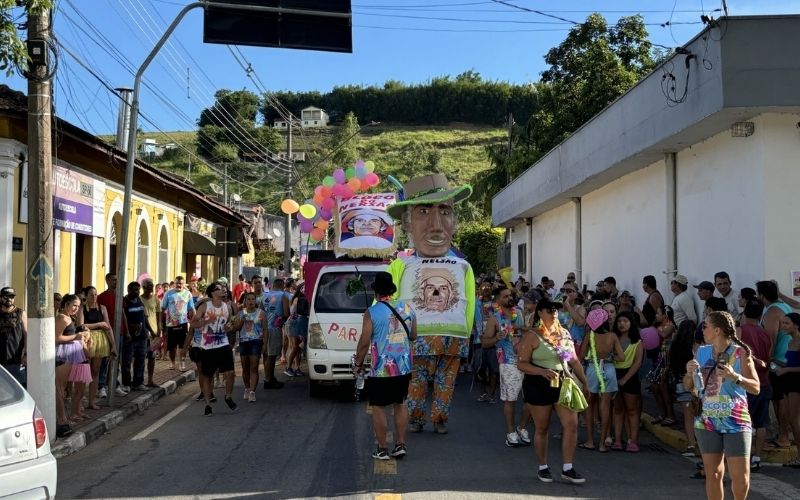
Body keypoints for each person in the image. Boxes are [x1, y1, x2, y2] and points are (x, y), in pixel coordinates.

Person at [386, 173, 475, 435]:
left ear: (454, 223)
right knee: (417, 382)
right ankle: (418, 418)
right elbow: (387, 303)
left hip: (452, 338)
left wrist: (466, 336)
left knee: (445, 382)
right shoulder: (399, 266)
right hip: (415, 338)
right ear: (408, 224)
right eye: (424, 212)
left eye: (445, 212)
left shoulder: (464, 266)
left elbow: (470, 305)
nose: (436, 224)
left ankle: (437, 419)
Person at [684, 311, 759, 500]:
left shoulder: (741, 353)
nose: (703, 329)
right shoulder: (701, 352)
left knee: (740, 477)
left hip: (736, 421)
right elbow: (689, 386)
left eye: (705, 326)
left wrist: (736, 377)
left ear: (717, 330)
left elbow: (756, 387)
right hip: (707, 420)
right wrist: (688, 373)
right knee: (714, 474)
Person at [516, 298, 590, 484]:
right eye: (549, 310)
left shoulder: (564, 333)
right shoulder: (533, 335)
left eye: (556, 310)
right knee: (542, 427)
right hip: (538, 384)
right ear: (540, 313)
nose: (554, 312)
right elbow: (521, 363)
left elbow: (573, 360)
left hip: (563, 382)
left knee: (571, 424)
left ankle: (568, 468)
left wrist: (585, 383)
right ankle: (543, 467)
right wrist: (542, 371)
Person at [353, 271, 417, 460]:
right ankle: (400, 445)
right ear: (391, 290)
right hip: (403, 366)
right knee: (400, 403)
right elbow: (413, 335)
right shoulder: (406, 308)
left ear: (375, 292)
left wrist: (358, 363)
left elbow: (364, 342)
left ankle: (382, 449)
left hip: (381, 368)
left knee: (379, 407)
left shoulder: (372, 312)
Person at [480, 287, 529, 447]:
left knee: (530, 399)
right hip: (508, 363)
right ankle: (510, 433)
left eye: (511, 295)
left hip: (526, 361)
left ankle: (522, 427)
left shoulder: (519, 314)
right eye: (506, 296)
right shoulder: (494, 319)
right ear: (498, 300)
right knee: (511, 400)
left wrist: (525, 332)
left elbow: (526, 335)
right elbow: (485, 342)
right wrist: (496, 337)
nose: (510, 298)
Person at [578, 308, 624, 452]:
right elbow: (621, 357)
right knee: (605, 407)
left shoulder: (590, 335)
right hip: (609, 369)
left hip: (593, 369)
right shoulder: (612, 336)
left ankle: (590, 441)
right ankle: (603, 443)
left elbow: (581, 356)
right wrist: (610, 358)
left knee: (590, 406)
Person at [189, 282, 238, 416]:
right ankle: (207, 405)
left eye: (223, 289)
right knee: (207, 376)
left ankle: (228, 397)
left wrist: (229, 326)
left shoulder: (226, 306)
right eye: (219, 289)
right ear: (212, 293)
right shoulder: (205, 306)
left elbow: (229, 322)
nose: (223, 291)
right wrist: (206, 322)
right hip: (208, 346)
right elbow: (193, 323)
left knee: (230, 373)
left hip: (223, 344)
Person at [756, 280, 792, 448]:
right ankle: (785, 434)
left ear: (761, 295)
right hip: (787, 359)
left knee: (780, 400)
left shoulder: (772, 312)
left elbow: (769, 341)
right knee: (783, 399)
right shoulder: (784, 306)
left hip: (778, 362)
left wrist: (765, 363)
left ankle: (783, 436)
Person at [737, 300, 772, 471]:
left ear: (744, 312)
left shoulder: (740, 331)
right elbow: (768, 358)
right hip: (764, 381)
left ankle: (746, 455)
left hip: (746, 383)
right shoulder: (766, 334)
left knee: (744, 422)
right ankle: (757, 457)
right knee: (761, 422)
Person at [77, 286, 116, 409]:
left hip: (101, 341)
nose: (94, 297)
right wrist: (99, 324)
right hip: (87, 340)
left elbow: (108, 327)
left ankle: (91, 401)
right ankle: (79, 401)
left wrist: (113, 345)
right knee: (84, 372)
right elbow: (81, 326)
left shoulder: (102, 308)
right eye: (91, 295)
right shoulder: (82, 309)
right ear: (86, 296)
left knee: (95, 372)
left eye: (95, 294)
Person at [55, 294, 87, 437]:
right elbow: (56, 338)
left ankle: (64, 417)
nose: (76, 308)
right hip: (62, 356)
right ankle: (61, 419)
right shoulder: (62, 318)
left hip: (69, 356)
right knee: (59, 389)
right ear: (66, 304)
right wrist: (76, 336)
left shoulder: (69, 317)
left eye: (78, 306)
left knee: (63, 389)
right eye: (74, 305)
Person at [612, 310, 644, 452]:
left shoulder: (637, 342)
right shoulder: (613, 338)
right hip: (614, 374)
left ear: (631, 323)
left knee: (632, 410)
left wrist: (625, 379)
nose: (622, 324)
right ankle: (618, 440)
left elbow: (637, 363)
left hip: (630, 377)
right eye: (619, 321)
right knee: (618, 409)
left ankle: (633, 440)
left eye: (625, 321)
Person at [230, 292, 266, 402]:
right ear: (245, 301)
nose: (250, 301)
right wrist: (241, 320)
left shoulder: (261, 313)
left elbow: (265, 329)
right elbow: (235, 328)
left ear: (256, 301)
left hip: (256, 341)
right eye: (248, 299)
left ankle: (252, 391)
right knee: (245, 368)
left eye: (252, 299)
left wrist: (264, 344)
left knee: (254, 368)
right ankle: (247, 387)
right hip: (244, 341)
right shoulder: (241, 313)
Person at [776, 312, 800, 468]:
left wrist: (786, 370)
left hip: (796, 383)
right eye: (782, 323)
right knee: (791, 420)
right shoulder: (791, 341)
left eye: (786, 323)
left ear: (796, 325)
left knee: (795, 420)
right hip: (788, 382)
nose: (783, 326)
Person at [648, 305, 677, 426]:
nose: (656, 316)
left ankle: (670, 415)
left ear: (665, 315)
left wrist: (655, 327)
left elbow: (665, 334)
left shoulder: (670, 325)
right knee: (655, 387)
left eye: (658, 313)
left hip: (667, 360)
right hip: (659, 358)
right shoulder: (659, 326)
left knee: (663, 387)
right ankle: (662, 413)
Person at [161, 276, 196, 372]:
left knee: (183, 346)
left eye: (181, 283)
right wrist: (161, 324)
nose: (179, 285)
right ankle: (172, 363)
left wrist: (193, 322)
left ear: (184, 284)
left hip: (183, 324)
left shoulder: (188, 294)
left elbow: (192, 309)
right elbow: (163, 309)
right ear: (174, 283)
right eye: (177, 283)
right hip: (170, 324)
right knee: (171, 347)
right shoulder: (168, 293)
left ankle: (182, 363)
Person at [96, 273, 123, 397]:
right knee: (104, 361)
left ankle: (115, 384)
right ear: (107, 281)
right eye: (113, 280)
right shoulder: (101, 297)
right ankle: (101, 386)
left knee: (116, 360)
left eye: (116, 280)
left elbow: (123, 313)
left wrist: (126, 331)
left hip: (120, 332)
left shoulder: (119, 296)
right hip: (106, 333)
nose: (115, 282)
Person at [262, 278, 289, 389]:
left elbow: (260, 311)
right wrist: (280, 320)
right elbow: (287, 313)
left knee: (268, 354)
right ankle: (268, 380)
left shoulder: (264, 296)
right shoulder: (283, 296)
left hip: (264, 329)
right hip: (274, 328)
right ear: (282, 285)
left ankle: (270, 378)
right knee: (272, 356)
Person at [473, 280, 498, 402]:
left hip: (494, 341)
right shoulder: (475, 303)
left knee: (493, 370)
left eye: (489, 286)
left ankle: (492, 394)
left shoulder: (497, 304)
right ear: (479, 289)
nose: (486, 288)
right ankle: (483, 392)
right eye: (484, 286)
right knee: (479, 368)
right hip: (479, 340)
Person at [121, 282, 148, 391]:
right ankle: (127, 383)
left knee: (140, 360)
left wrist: (149, 331)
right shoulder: (125, 301)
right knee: (127, 361)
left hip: (142, 336)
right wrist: (128, 330)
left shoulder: (139, 301)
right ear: (129, 290)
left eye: (138, 290)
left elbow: (144, 317)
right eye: (135, 290)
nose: (137, 292)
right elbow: (124, 318)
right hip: (130, 337)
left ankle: (138, 382)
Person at [0, 286, 27, 386]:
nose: (9, 299)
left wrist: (26, 355)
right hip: (1, 362)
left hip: (16, 360)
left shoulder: (20, 313)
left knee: (19, 388)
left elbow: (26, 334)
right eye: (6, 296)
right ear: (1, 298)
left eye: (11, 297)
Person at [140, 279, 162, 387]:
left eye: (151, 286)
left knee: (152, 357)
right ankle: (140, 380)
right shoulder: (139, 300)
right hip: (143, 333)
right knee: (141, 357)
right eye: (148, 287)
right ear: (143, 287)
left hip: (154, 333)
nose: (150, 289)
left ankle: (150, 380)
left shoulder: (156, 300)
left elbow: (158, 316)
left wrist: (159, 329)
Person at [285, 283, 309, 377]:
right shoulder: (298, 299)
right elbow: (302, 311)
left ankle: (297, 368)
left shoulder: (296, 299)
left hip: (296, 324)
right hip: (294, 324)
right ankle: (288, 367)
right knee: (295, 347)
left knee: (297, 348)